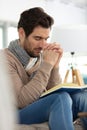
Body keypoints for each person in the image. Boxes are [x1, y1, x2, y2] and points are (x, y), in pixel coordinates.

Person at [1, 7, 87, 130]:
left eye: (46, 39)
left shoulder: (41, 55)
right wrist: (47, 65)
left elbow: (53, 89)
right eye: (37, 38)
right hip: (15, 114)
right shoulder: (5, 59)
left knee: (82, 97)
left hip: (41, 106)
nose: (42, 45)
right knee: (60, 99)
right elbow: (22, 101)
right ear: (21, 33)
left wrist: (55, 65)